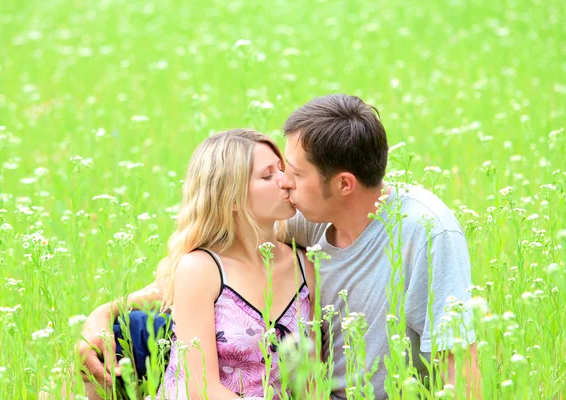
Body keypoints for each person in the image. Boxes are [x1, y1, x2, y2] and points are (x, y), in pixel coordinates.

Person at [77, 94, 480, 399]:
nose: (286, 183)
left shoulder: (423, 233)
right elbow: (190, 280)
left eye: (293, 173)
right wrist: (101, 314)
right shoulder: (304, 216)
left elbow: (461, 369)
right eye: (274, 173)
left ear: (343, 185)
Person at [78, 129, 316, 399]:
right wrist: (100, 315)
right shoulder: (201, 269)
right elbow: (202, 387)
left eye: (282, 169)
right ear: (232, 197)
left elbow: (313, 379)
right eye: (268, 175)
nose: (286, 181)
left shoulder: (306, 266)